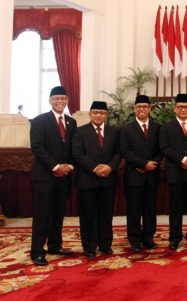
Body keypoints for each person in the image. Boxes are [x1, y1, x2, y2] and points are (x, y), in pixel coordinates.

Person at [29, 86, 77, 266]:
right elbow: (37, 147)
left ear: (67, 101)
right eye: (56, 98)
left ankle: (55, 245)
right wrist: (55, 167)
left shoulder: (71, 122)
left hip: (64, 177)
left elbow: (74, 148)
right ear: (50, 100)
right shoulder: (39, 121)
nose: (60, 101)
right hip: (45, 176)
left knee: (58, 213)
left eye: (63, 98)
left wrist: (69, 166)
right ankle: (37, 252)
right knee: (42, 215)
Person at [72, 101, 121, 257]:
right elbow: (78, 154)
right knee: (88, 215)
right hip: (87, 179)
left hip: (108, 178)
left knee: (106, 214)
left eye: (102, 113)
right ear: (90, 114)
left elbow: (119, 153)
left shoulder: (114, 132)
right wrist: (95, 168)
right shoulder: (80, 132)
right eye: (95, 112)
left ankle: (105, 244)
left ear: (106, 115)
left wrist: (109, 167)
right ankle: (89, 247)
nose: (98, 115)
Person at [120, 95, 162, 252]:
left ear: (150, 109)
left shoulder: (157, 128)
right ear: (134, 109)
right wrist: (143, 164)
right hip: (133, 175)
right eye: (139, 107)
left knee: (150, 208)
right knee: (134, 209)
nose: (142, 109)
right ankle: (135, 240)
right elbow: (125, 151)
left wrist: (152, 164)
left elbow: (161, 150)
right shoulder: (126, 128)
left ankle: (149, 238)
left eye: (145, 106)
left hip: (152, 175)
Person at [159, 93, 187, 250]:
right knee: (175, 207)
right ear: (175, 109)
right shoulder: (166, 127)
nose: (184, 110)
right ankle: (174, 237)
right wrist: (183, 159)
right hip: (175, 172)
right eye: (181, 107)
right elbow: (165, 148)